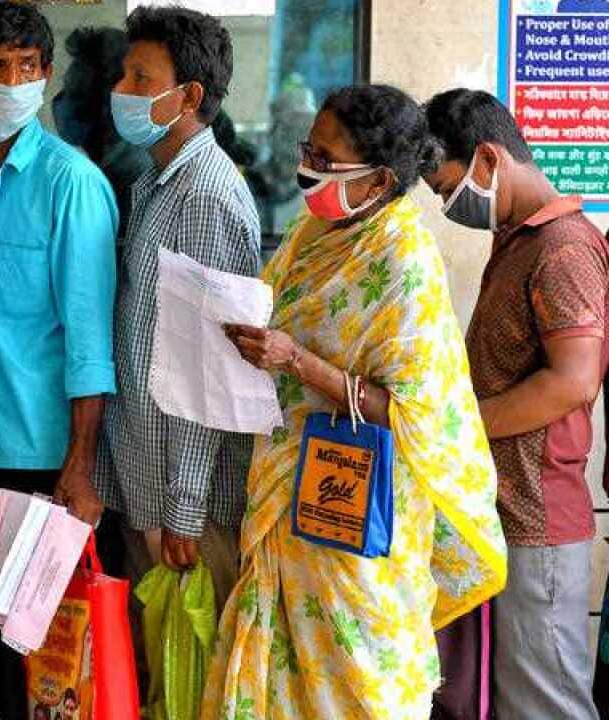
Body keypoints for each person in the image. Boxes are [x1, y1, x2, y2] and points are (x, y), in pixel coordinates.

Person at [205, 85, 506, 719]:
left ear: (378, 183)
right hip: (285, 506)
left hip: (357, 515)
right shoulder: (313, 233)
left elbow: (412, 413)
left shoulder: (405, 258)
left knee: (361, 688)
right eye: (306, 149)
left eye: (325, 157)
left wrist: (296, 361)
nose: (306, 168)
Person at [0, 4, 118, 717]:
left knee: (25, 659)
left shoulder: (70, 184)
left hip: (36, 461)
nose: (14, 81)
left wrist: (79, 464)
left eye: (28, 67)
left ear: (45, 76)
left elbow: (88, 341)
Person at [424, 88, 608, 720]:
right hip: (503, 516)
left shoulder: (562, 247)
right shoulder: (519, 240)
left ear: (487, 158)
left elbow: (573, 381)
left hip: (538, 524)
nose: (448, 206)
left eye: (447, 186)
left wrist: (457, 427)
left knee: (544, 704)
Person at [94, 5, 259, 609]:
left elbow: (210, 366)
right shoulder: (159, 182)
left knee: (188, 684)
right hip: (151, 491)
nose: (121, 91)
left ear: (188, 96)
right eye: (124, 75)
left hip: (187, 510)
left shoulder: (204, 198)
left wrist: (184, 507)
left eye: (141, 79)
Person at [51, 27, 152, 236]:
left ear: (105, 104)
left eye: (75, 94)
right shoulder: (100, 163)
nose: (59, 102)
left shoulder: (132, 180)